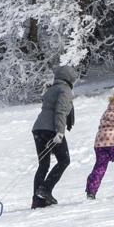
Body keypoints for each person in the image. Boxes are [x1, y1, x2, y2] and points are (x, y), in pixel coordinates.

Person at [31, 65, 79, 208]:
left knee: (43, 165)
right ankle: (45, 190)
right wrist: (60, 131)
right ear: (69, 78)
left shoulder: (52, 89)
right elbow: (60, 111)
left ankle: (37, 200)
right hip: (51, 130)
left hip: (38, 129)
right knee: (64, 160)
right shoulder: (65, 90)